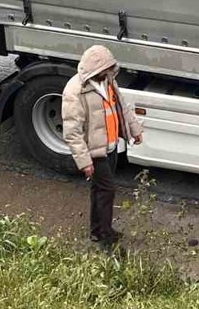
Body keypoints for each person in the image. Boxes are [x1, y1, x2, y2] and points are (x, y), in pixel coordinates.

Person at [62, 44, 144, 247]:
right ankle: (106, 236)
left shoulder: (108, 82)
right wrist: (84, 162)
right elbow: (72, 132)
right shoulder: (75, 92)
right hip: (95, 152)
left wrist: (134, 130)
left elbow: (121, 107)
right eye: (104, 70)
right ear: (94, 70)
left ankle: (97, 231)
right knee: (107, 191)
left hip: (111, 146)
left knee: (99, 190)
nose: (108, 73)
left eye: (110, 69)